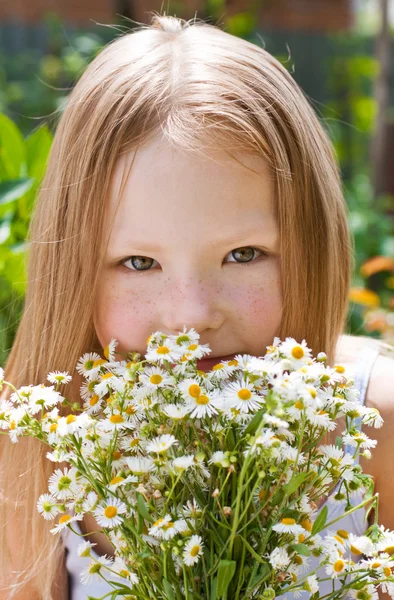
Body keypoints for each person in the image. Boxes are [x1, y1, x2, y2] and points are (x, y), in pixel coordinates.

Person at [0, 12, 393, 600]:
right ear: (71, 271)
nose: (191, 316)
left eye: (243, 254)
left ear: (315, 244)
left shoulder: (373, 429)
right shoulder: (38, 444)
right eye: (138, 263)